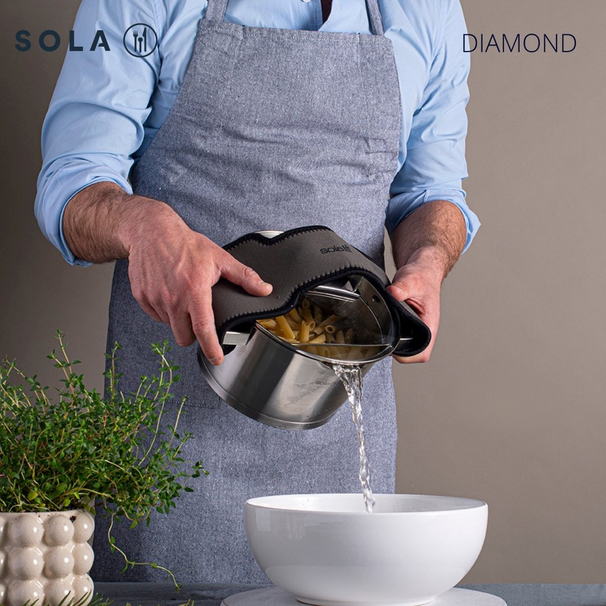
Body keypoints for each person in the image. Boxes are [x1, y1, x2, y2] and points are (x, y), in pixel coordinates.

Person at [35, 0, 480, 585]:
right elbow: (73, 181)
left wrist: (427, 262)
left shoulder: (430, 11)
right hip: (170, 435)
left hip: (342, 430)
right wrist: (140, 223)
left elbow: (431, 191)